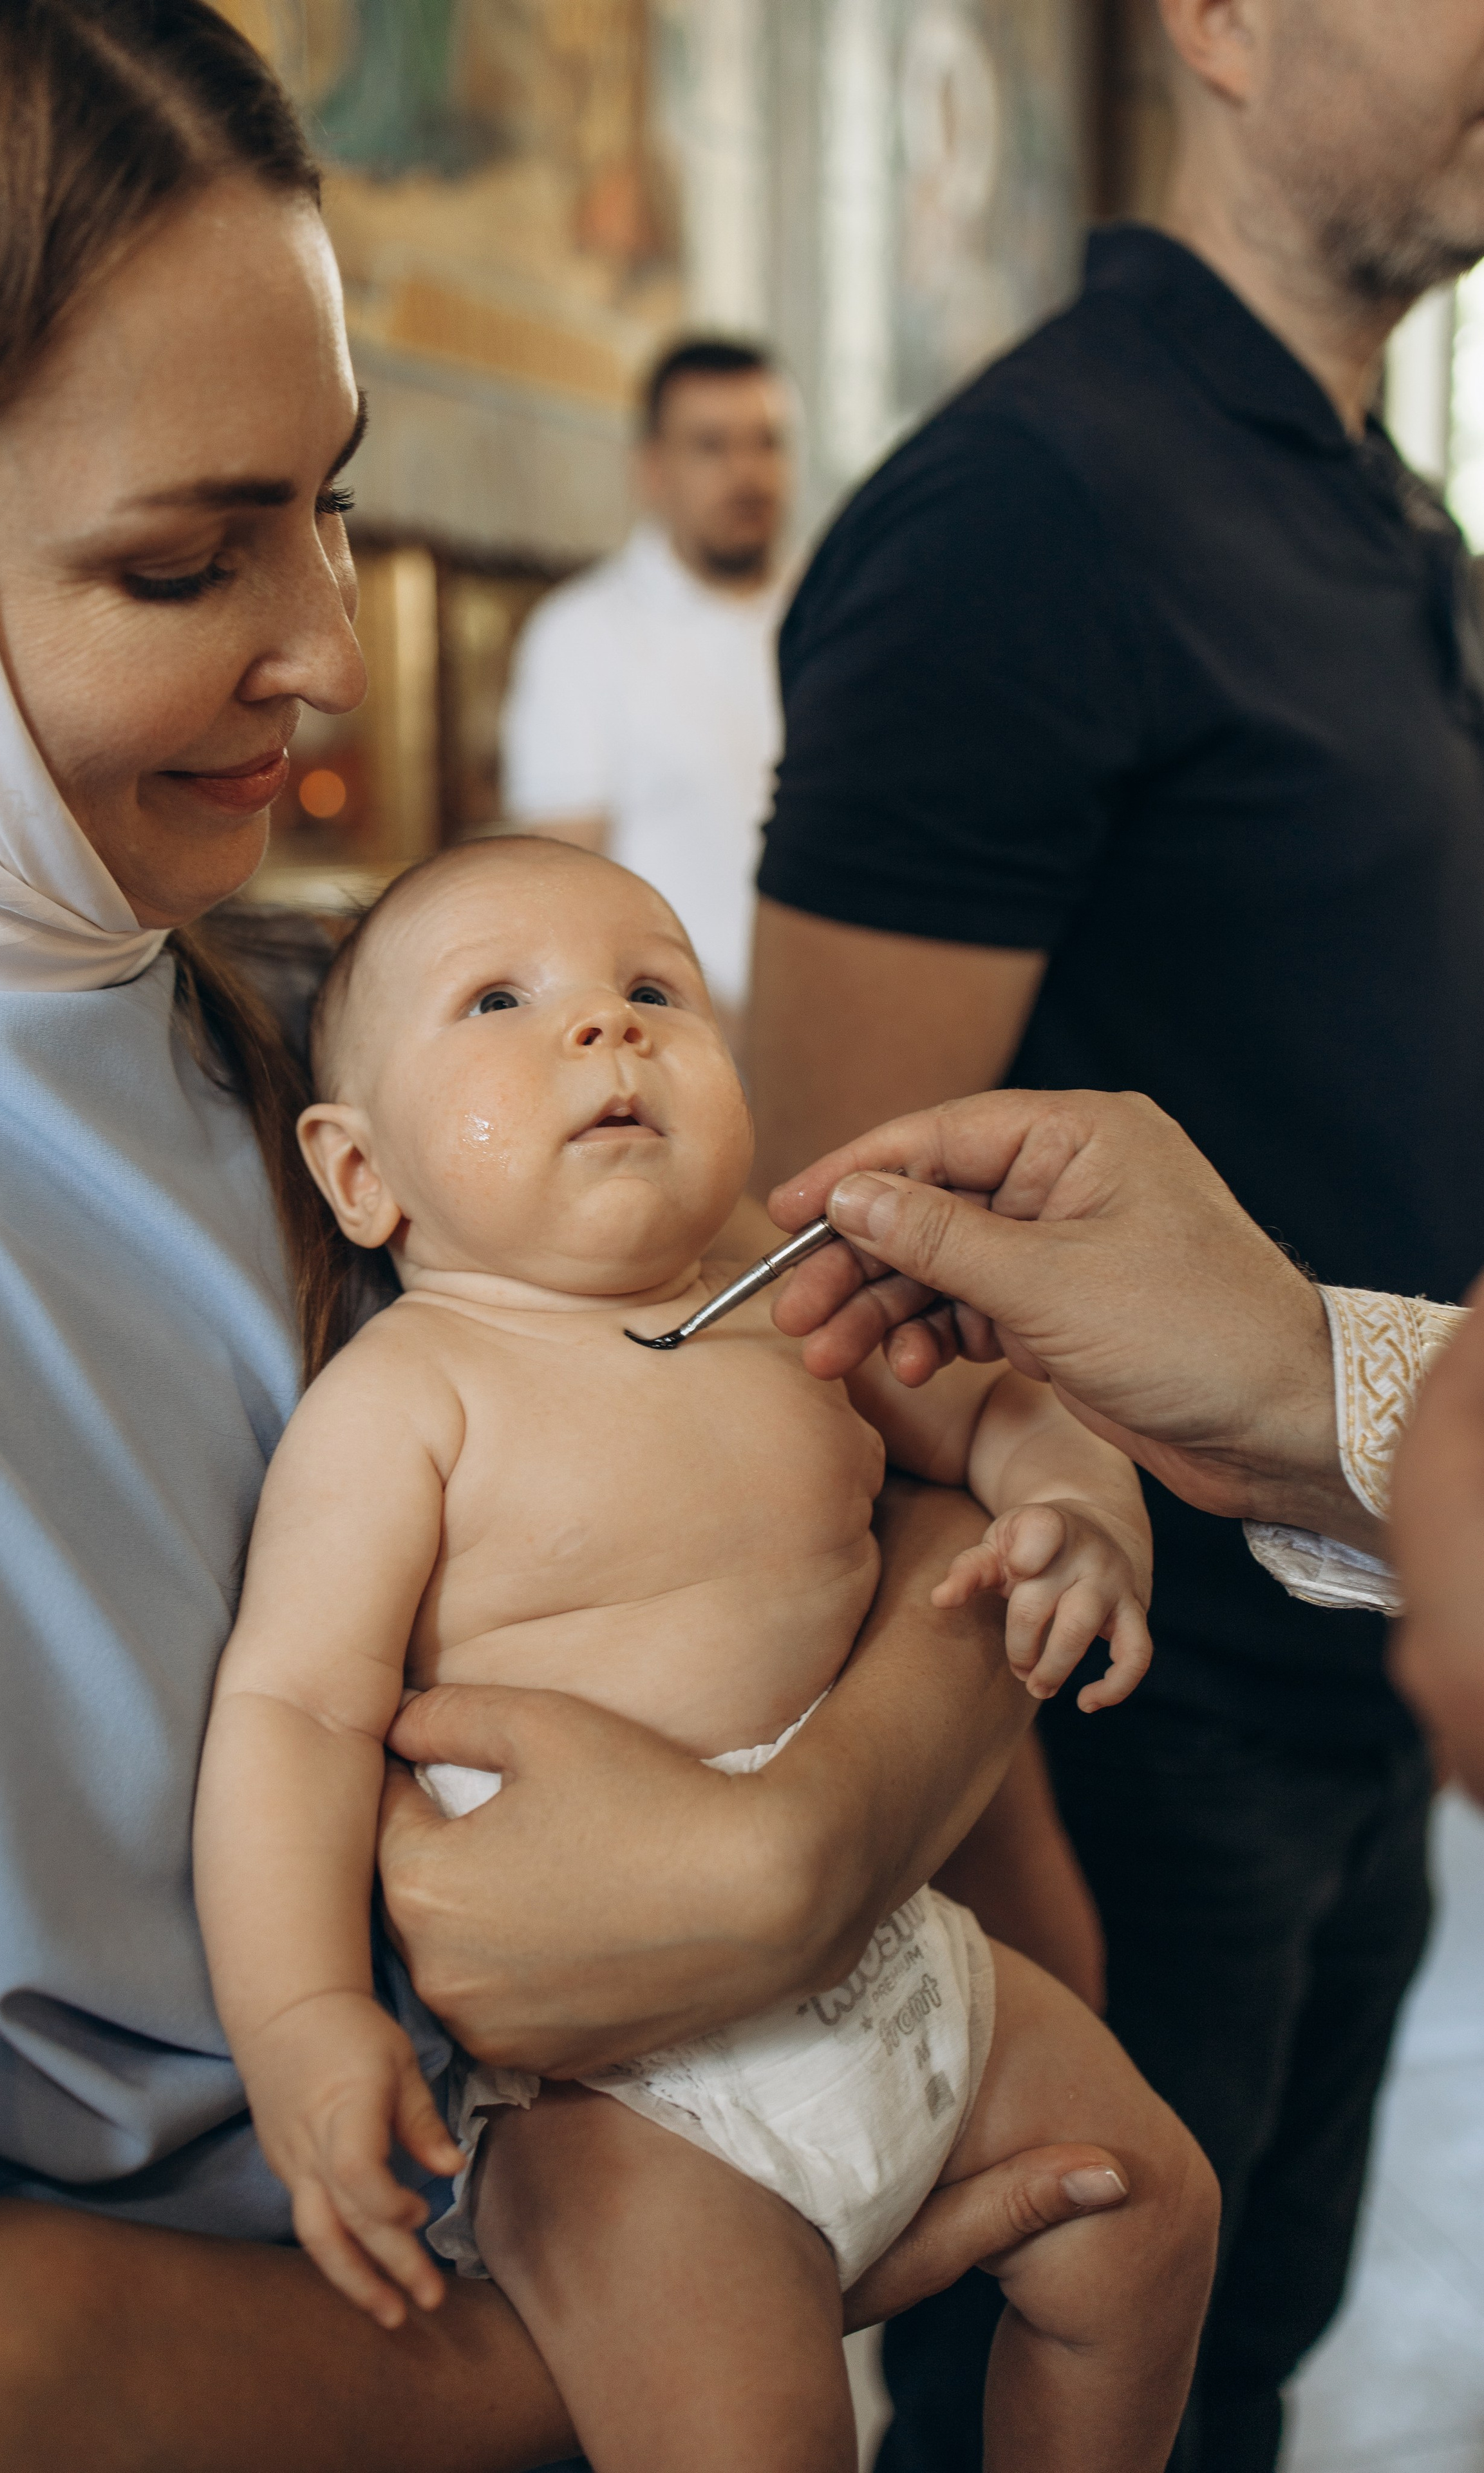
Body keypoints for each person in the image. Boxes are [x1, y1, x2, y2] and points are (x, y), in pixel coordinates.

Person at [0, 5, 1135, 2460]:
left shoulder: (345, 1026)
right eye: (181, 559)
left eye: (330, 502)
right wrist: (640, 2328)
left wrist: (800, 1852)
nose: (330, 656)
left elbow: (867, 1456)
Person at [751, 0, 1484, 2462]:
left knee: (1244, 2373)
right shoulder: (1032, 508)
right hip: (1114, 1715)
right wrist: (1001, 1851)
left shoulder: (1390, 520)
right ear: (1220, 23)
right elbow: (830, 1249)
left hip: (1366, 1638)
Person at [192, 838, 1207, 2473]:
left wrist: (1075, 1495)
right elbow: (294, 1707)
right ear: (359, 1169)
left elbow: (998, 1408)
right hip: (617, 2094)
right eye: (502, 1000)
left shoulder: (782, 1284)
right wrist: (302, 2015)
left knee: (1151, 2214)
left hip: (894, 1956)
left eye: (651, 988)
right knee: (750, 2435)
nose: (604, 1029)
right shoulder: (409, 1397)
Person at [760, 1083, 1481, 1795]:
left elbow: (997, 1413)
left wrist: (1081, 1514)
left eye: (657, 994)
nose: (638, 1026)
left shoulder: (760, 1294)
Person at [501, 337, 792, 1034]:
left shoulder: (834, 612)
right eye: (712, 446)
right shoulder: (579, 636)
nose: (746, 474)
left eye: (767, 443)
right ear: (653, 469)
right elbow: (569, 888)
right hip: (683, 1041)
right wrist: (722, 1028)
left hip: (851, 1030)